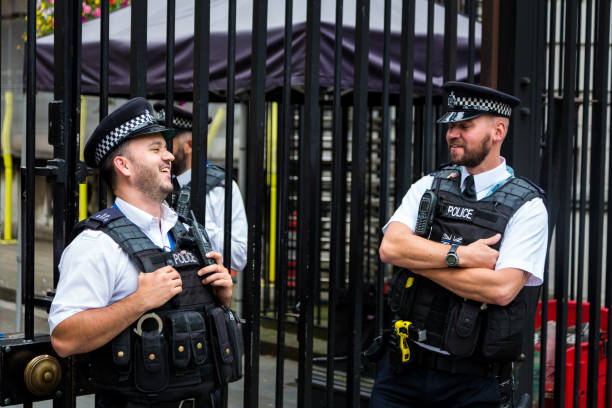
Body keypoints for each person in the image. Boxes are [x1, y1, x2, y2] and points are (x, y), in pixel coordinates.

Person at [49, 98, 239, 408]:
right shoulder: (96, 244)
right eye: (154, 148)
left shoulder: (189, 232)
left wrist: (223, 300)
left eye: (165, 148)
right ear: (123, 165)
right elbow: (64, 338)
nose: (168, 156)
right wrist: (137, 302)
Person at [370, 82, 548, 407]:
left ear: (498, 131)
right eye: (451, 125)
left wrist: (421, 259)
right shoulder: (430, 185)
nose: (453, 133)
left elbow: (501, 289)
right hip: (403, 371)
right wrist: (461, 255)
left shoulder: (528, 206)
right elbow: (391, 248)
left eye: (465, 126)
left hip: (473, 384)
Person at [154, 102, 247, 277]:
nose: (162, 154)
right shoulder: (155, 184)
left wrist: (196, 224)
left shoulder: (220, 188)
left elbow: (239, 257)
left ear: (189, 145)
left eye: (166, 145)